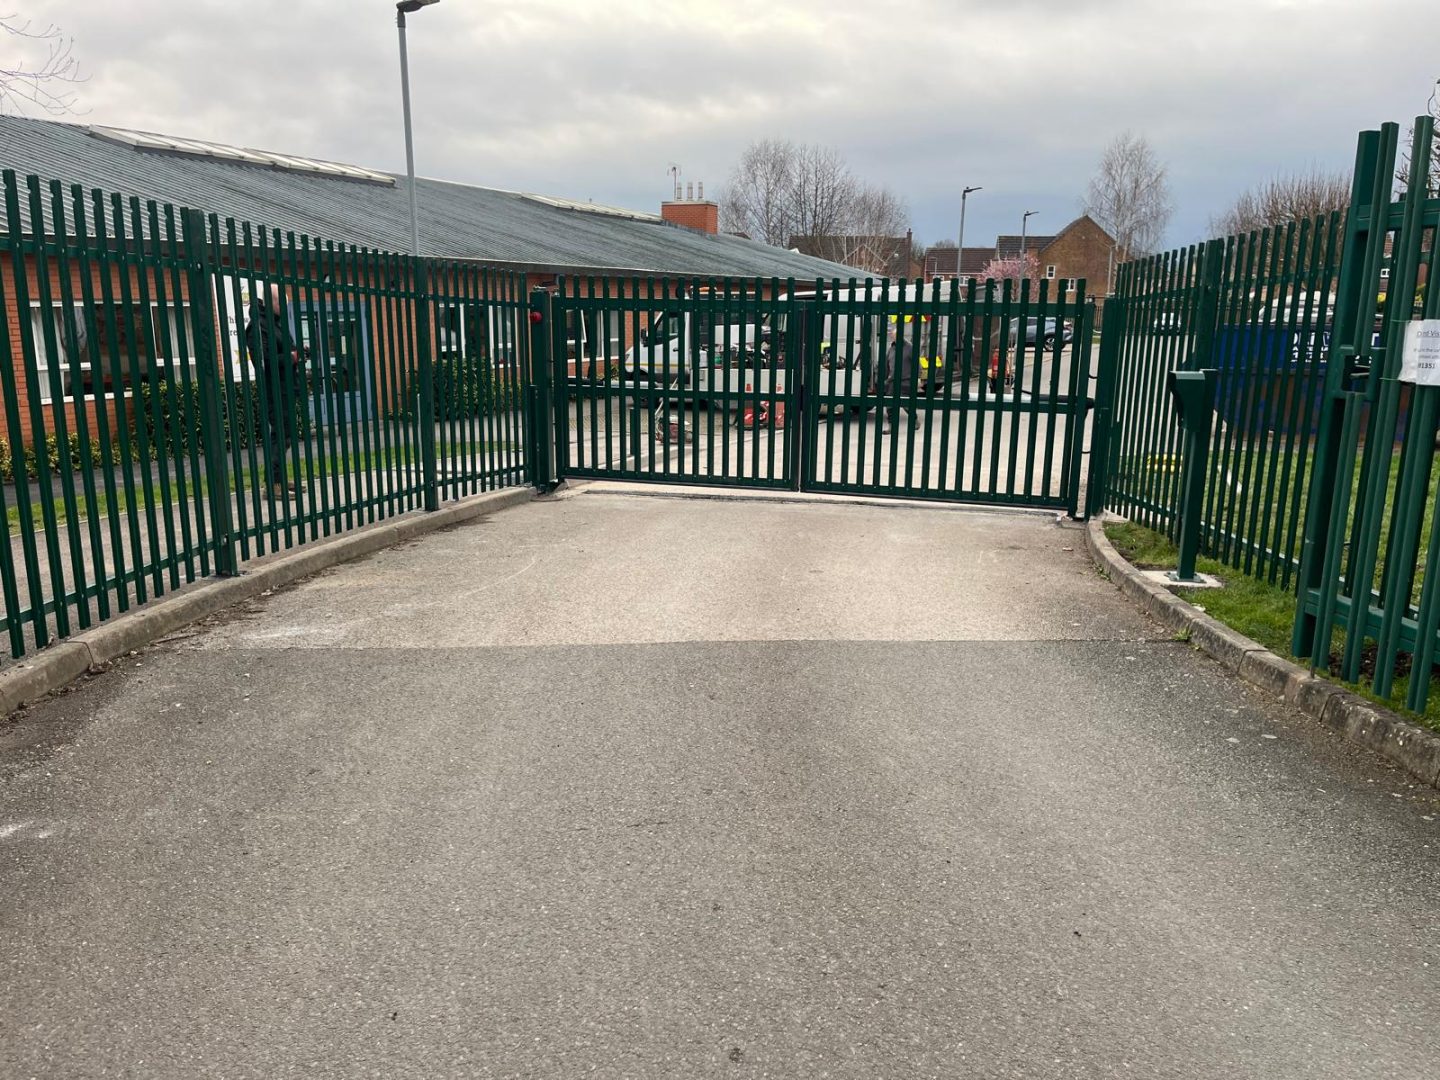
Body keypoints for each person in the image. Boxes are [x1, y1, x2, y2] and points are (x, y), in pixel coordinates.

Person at [243, 284, 305, 501]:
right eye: (282, 302)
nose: (284, 306)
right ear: (271, 302)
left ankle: (277, 478)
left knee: (284, 436)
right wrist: (292, 357)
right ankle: (273, 485)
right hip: (274, 390)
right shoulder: (258, 327)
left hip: (287, 387)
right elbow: (264, 361)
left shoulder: (274, 324)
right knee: (281, 436)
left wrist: (297, 352)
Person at [875, 316, 920, 436]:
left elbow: (917, 364)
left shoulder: (909, 347)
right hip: (892, 382)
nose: (893, 338)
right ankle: (891, 427)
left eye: (894, 336)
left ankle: (914, 420)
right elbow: (886, 364)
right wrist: (883, 379)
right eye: (892, 336)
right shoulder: (891, 349)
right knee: (890, 406)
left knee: (906, 404)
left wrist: (918, 378)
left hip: (906, 381)